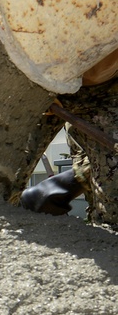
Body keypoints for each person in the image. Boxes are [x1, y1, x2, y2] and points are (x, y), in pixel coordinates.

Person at [20, 47, 118, 229]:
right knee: (7, 169)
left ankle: (47, 194)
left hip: (104, 89)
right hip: (39, 81)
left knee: (109, 173)